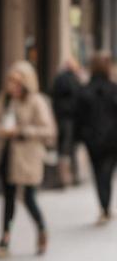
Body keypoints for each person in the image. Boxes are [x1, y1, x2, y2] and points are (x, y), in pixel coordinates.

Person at [0, 61, 56, 258]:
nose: (12, 86)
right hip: (6, 155)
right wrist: (0, 130)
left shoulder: (36, 101)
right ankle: (4, 240)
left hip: (27, 157)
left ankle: (42, 229)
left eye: (17, 82)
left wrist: (22, 131)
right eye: (10, 82)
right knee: (8, 199)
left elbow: (48, 130)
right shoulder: (4, 100)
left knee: (28, 197)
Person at [74, 51, 117, 223]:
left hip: (93, 139)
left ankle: (104, 207)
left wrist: (81, 136)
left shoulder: (85, 90)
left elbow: (79, 117)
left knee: (98, 173)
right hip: (113, 139)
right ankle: (106, 207)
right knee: (107, 173)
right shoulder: (113, 89)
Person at [51, 57, 83, 187]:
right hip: (68, 118)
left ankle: (68, 176)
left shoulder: (63, 79)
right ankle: (66, 177)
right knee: (67, 147)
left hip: (66, 117)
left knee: (66, 147)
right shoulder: (70, 80)